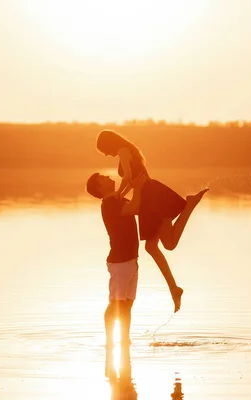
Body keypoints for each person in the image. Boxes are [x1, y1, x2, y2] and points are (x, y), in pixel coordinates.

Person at [96, 129, 209, 313]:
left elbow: (127, 177)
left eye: (105, 150)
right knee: (153, 247)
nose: (107, 154)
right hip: (149, 196)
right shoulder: (127, 151)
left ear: (109, 143)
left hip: (152, 197)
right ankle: (174, 289)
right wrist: (122, 196)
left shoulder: (123, 151)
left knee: (166, 245)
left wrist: (118, 194)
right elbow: (131, 179)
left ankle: (189, 206)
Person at [86, 171, 146, 379]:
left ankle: (125, 339)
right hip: (120, 261)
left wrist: (132, 184)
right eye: (102, 177)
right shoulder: (109, 204)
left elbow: (134, 204)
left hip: (131, 260)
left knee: (127, 304)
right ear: (100, 188)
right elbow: (135, 208)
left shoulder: (117, 199)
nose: (108, 176)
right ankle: (110, 341)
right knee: (116, 303)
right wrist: (136, 187)